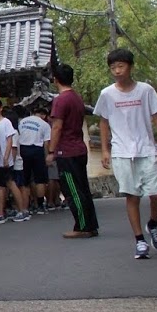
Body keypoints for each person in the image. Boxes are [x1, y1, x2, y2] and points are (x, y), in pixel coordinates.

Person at [93, 47, 157, 260]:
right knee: (132, 195)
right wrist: (104, 149)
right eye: (113, 67)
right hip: (121, 151)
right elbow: (103, 122)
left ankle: (154, 223)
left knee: (156, 193)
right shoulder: (107, 94)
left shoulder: (145, 90)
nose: (117, 71)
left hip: (146, 148)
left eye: (121, 66)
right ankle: (139, 240)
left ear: (130, 67)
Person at [46, 64, 99, 238]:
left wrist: (51, 150)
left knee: (72, 190)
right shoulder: (77, 98)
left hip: (66, 151)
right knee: (82, 187)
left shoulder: (60, 100)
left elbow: (57, 127)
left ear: (56, 80)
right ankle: (90, 224)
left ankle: (82, 226)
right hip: (79, 147)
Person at [17, 102, 53, 214]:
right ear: (43, 115)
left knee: (25, 180)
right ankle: (41, 205)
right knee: (40, 180)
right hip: (37, 150)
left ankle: (27, 206)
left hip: (23, 149)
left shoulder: (22, 122)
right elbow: (47, 143)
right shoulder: (45, 124)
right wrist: (47, 156)